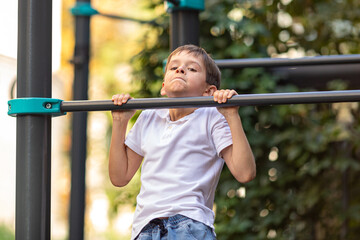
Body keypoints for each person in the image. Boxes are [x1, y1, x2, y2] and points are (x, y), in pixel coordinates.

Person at [109, 44, 256, 240]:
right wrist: (120, 121)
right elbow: (120, 177)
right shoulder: (149, 116)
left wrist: (231, 115)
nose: (180, 69)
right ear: (163, 87)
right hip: (145, 228)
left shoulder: (211, 117)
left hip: (189, 223)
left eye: (192, 68)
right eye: (173, 67)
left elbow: (245, 173)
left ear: (208, 91)